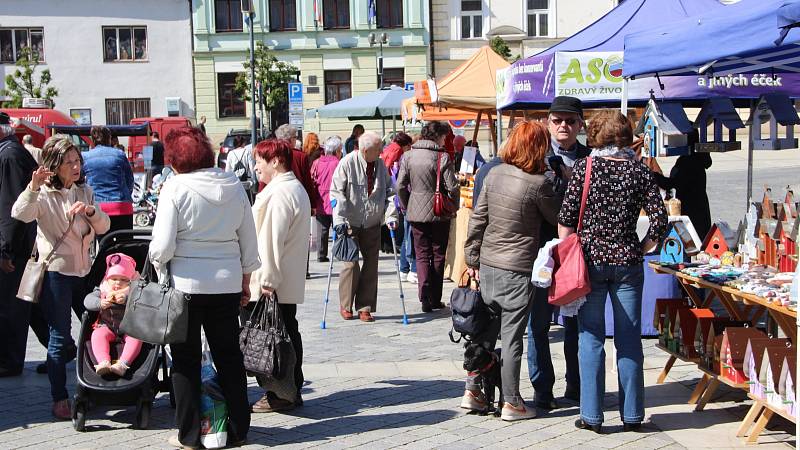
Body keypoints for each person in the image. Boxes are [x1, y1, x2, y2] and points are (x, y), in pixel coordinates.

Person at [557, 109, 668, 433]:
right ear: (625, 136)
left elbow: (565, 219)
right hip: (628, 264)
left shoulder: (585, 167)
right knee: (629, 339)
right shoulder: (640, 172)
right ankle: (632, 414)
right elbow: (660, 222)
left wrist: (569, 254)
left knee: (590, 336)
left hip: (589, 262)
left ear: (594, 135)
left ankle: (591, 415)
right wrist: (642, 247)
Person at [148, 127, 258, 448]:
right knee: (229, 357)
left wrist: (158, 264)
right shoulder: (233, 184)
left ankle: (189, 434)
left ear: (174, 160)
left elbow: (163, 245)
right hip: (225, 283)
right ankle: (238, 428)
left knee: (185, 360)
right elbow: (248, 241)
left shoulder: (174, 187)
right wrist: (246, 280)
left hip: (185, 285)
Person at [463, 121, 561, 421]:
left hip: (490, 265)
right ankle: (511, 401)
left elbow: (478, 219)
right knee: (513, 338)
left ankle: (474, 392)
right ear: (537, 147)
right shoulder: (539, 183)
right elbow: (557, 216)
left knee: (484, 333)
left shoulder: (492, 174)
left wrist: (472, 259)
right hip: (518, 269)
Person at [12, 135, 111, 419]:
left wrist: (90, 211)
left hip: (83, 270)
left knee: (96, 328)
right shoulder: (43, 195)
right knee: (59, 336)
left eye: (77, 160)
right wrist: (32, 186)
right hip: (56, 272)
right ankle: (59, 397)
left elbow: (103, 226)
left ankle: (96, 386)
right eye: (69, 162)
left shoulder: (84, 191)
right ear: (54, 165)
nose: (76, 166)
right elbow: (19, 212)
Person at [528, 96, 591, 409]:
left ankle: (577, 387)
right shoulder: (535, 157)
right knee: (538, 325)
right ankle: (542, 390)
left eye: (570, 120)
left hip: (576, 254)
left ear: (580, 125)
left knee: (576, 327)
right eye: (557, 120)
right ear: (547, 123)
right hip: (540, 252)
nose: (563, 126)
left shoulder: (591, 159)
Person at [249, 139, 311, 413]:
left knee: (273, 339)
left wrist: (268, 280)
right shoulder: (289, 188)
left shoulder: (281, 193)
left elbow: (270, 241)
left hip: (274, 279)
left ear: (275, 161)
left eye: (259, 162)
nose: (255, 168)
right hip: (283, 278)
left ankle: (281, 392)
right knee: (284, 333)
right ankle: (289, 389)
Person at [330, 131, 397, 322]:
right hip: (350, 221)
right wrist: (339, 220)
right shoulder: (347, 163)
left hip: (372, 221)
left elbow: (390, 193)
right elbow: (336, 193)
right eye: (378, 149)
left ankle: (365, 307)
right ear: (366, 150)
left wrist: (391, 216)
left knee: (371, 264)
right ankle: (345, 304)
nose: (381, 152)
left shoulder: (381, 165)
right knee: (351, 264)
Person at [397, 122, 458, 312]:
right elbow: (453, 187)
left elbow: (400, 185)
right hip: (439, 212)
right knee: (438, 254)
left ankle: (424, 297)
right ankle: (435, 298)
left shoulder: (408, 156)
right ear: (438, 136)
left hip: (416, 211)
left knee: (422, 254)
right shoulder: (442, 157)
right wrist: (454, 206)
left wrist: (408, 205)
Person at [0, 112, 39, 378]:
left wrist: (6, 248)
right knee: (29, 301)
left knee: (11, 304)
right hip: (21, 240)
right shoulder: (10, 152)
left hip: (17, 243)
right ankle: (63, 347)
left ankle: (10, 361)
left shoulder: (9, 155)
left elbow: (10, 207)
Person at [84, 253, 142, 377]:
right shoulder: (103, 290)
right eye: (114, 279)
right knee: (97, 335)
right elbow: (87, 301)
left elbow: (144, 302)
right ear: (107, 279)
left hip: (129, 327)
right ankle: (103, 362)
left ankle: (123, 364)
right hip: (107, 326)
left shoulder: (135, 291)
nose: (118, 283)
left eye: (124, 280)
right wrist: (99, 303)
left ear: (131, 280)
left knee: (136, 337)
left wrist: (127, 299)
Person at [83, 126, 135, 235]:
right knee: (125, 245)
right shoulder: (119, 154)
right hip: (121, 205)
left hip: (98, 206)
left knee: (103, 245)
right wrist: (126, 195)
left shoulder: (85, 156)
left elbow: (81, 182)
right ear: (109, 138)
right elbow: (129, 179)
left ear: (92, 140)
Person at [381, 132, 416, 283]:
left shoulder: (390, 147)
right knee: (406, 232)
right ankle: (407, 267)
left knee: (404, 231)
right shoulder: (397, 151)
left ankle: (403, 267)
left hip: (394, 194)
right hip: (398, 196)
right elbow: (390, 169)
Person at [653, 151, 713, 240]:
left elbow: (672, 184)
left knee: (695, 239)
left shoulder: (689, 163)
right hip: (699, 208)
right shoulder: (696, 161)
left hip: (691, 211)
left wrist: (654, 176)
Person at [311, 136, 341, 262]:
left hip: (321, 200)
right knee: (338, 226)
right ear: (336, 151)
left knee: (322, 229)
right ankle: (339, 252)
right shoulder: (339, 163)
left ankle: (321, 254)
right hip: (336, 198)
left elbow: (312, 179)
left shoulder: (317, 162)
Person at [225, 136, 257, 203]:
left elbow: (227, 170)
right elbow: (251, 167)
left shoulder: (231, 153)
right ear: (243, 143)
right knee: (248, 200)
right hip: (247, 181)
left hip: (235, 181)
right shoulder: (247, 152)